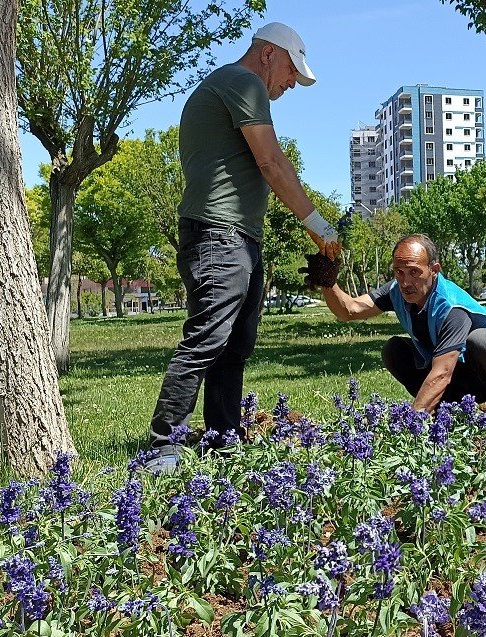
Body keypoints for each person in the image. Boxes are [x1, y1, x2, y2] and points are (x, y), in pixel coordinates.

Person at [146, 22, 341, 472]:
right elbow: (270, 163)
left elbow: (278, 161)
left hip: (236, 237)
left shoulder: (232, 87)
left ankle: (221, 440)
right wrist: (319, 226)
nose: (292, 83)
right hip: (218, 236)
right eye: (293, 70)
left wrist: (315, 224)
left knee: (233, 346)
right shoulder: (243, 81)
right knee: (206, 339)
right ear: (269, 53)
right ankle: (163, 446)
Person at [312, 234, 486, 411]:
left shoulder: (451, 307)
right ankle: (444, 413)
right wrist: (328, 282)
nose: (405, 282)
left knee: (480, 340)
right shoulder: (396, 290)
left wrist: (409, 423)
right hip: (461, 375)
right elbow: (349, 310)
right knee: (394, 350)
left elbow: (442, 373)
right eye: (399, 271)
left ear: (434, 270)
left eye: (414, 272)